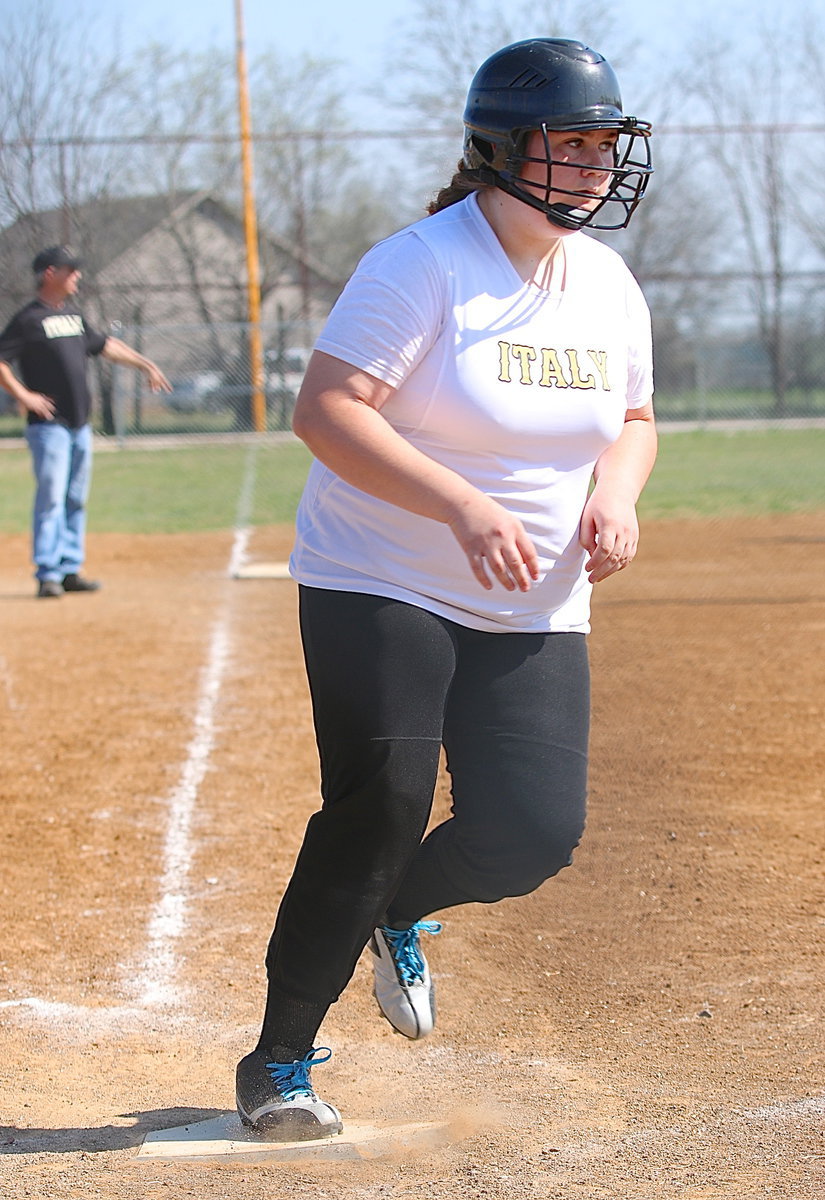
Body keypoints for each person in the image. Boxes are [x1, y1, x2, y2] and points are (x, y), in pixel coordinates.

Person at [236, 36, 657, 1141]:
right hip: (382, 574)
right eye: (571, 143)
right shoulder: (423, 264)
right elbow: (326, 410)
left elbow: (634, 422)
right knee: (381, 805)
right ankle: (280, 1062)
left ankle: (399, 915)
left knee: (532, 832)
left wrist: (615, 492)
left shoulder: (607, 284)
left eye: (605, 144)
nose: (594, 165)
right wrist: (461, 505)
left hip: (531, 595)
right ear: (505, 149)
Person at [0, 245, 171, 597]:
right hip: (49, 427)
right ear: (50, 273)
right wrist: (24, 396)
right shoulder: (28, 319)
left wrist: (146, 364)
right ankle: (47, 572)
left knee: (75, 497)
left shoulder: (74, 316)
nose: (76, 275)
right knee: (51, 498)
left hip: (79, 425)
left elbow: (106, 345)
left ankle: (69, 569)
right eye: (69, 269)